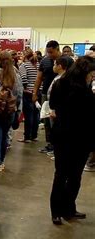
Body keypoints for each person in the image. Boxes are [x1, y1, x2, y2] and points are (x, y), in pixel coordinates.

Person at [49, 56, 95, 225]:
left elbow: (53, 104)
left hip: (64, 136)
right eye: (91, 74)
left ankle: (61, 210)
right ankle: (66, 209)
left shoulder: (60, 84)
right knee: (72, 175)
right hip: (78, 138)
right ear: (85, 72)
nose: (92, 77)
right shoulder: (85, 92)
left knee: (63, 174)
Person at [0, 52, 23, 172]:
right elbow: (19, 95)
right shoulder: (16, 76)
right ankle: (2, 161)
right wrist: (18, 111)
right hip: (10, 111)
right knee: (5, 136)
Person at [32, 40, 61, 154]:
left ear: (57, 49)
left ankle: (58, 144)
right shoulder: (45, 61)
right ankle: (50, 144)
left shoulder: (65, 61)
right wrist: (34, 93)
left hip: (60, 96)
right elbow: (39, 78)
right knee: (47, 120)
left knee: (57, 120)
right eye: (48, 52)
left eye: (51, 52)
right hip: (46, 94)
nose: (49, 54)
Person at [18, 49, 40, 142]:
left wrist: (25, 89)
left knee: (28, 115)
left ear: (25, 56)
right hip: (38, 91)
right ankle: (34, 135)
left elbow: (24, 79)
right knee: (36, 114)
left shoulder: (24, 65)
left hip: (28, 92)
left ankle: (27, 137)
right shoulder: (38, 65)